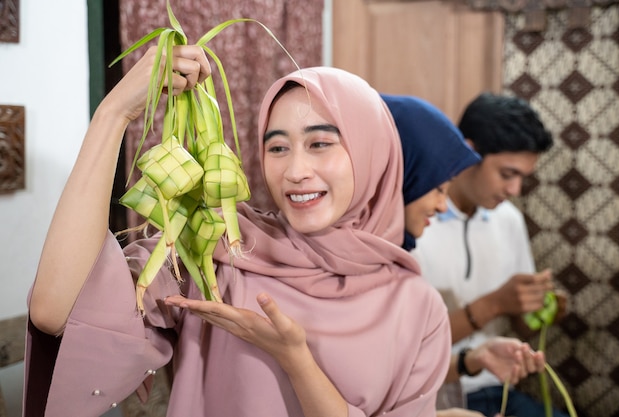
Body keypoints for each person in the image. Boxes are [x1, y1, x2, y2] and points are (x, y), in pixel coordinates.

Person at [25, 45, 451, 417]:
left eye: (320, 144)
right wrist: (114, 113)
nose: (296, 172)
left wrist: (294, 358)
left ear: (374, 153)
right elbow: (54, 311)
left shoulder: (417, 307)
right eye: (277, 147)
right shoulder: (219, 253)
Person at [382, 94, 548, 417]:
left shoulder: (509, 220)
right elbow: (405, 354)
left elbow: (525, 325)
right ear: (468, 153)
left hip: (496, 384)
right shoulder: (410, 225)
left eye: (522, 178)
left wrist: (540, 306)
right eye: (507, 174)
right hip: (436, 392)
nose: (515, 190)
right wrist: (494, 304)